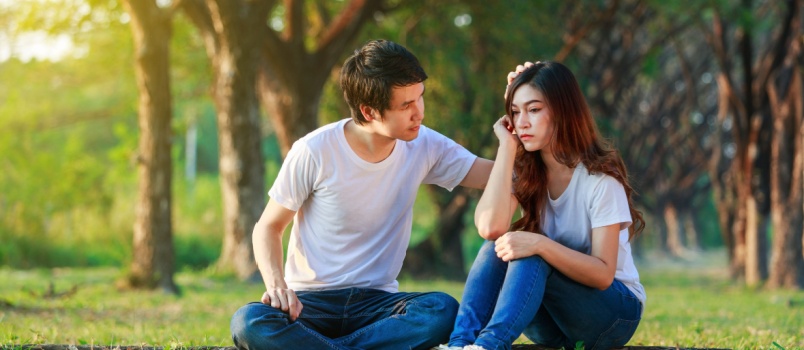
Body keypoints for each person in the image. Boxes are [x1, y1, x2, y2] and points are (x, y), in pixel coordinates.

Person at [230, 39, 493, 350]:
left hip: (378, 305)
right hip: (310, 304)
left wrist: (516, 129)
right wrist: (276, 286)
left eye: (419, 98)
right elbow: (267, 227)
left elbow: (496, 175)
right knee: (249, 322)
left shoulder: (425, 145)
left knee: (442, 310)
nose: (418, 113)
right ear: (369, 112)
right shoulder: (314, 150)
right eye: (405, 105)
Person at [438, 61, 646, 350]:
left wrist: (540, 245)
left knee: (531, 249)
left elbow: (603, 275)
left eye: (534, 110)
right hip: (552, 325)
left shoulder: (600, 182)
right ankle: (461, 343)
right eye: (515, 112)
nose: (522, 122)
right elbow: (490, 227)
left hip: (611, 317)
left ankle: (489, 345)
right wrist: (507, 147)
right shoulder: (528, 174)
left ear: (562, 111)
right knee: (499, 245)